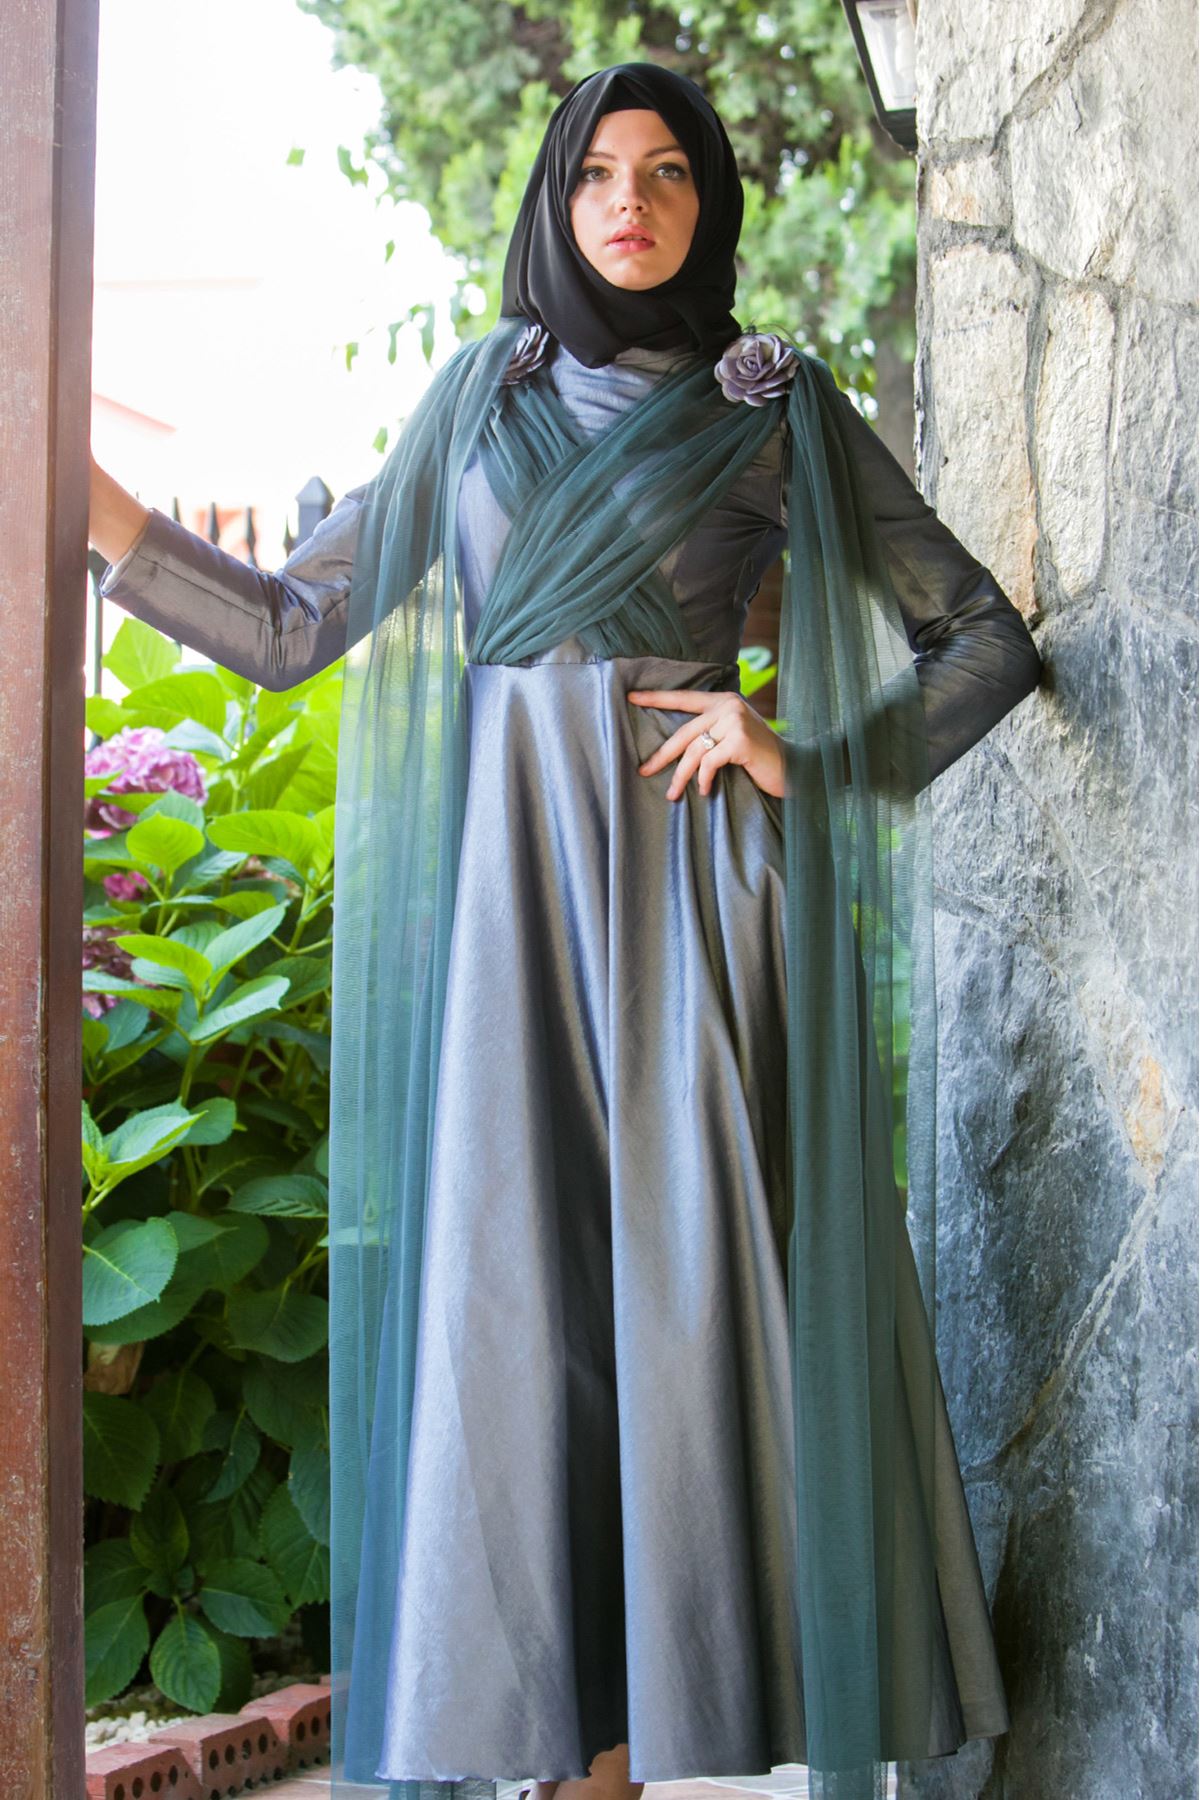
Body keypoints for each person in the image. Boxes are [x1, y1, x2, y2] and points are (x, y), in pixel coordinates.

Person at [90, 61, 1041, 1800]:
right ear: (553, 196)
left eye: (669, 170)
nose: (631, 201)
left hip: (697, 913)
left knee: (679, 1322)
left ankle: (670, 1738)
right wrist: (93, 509)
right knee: (525, 1319)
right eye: (599, 170)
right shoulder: (475, 399)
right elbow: (297, 627)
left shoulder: (774, 410)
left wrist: (803, 749)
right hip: (515, 925)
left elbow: (983, 636)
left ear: (711, 204)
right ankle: (575, 1766)